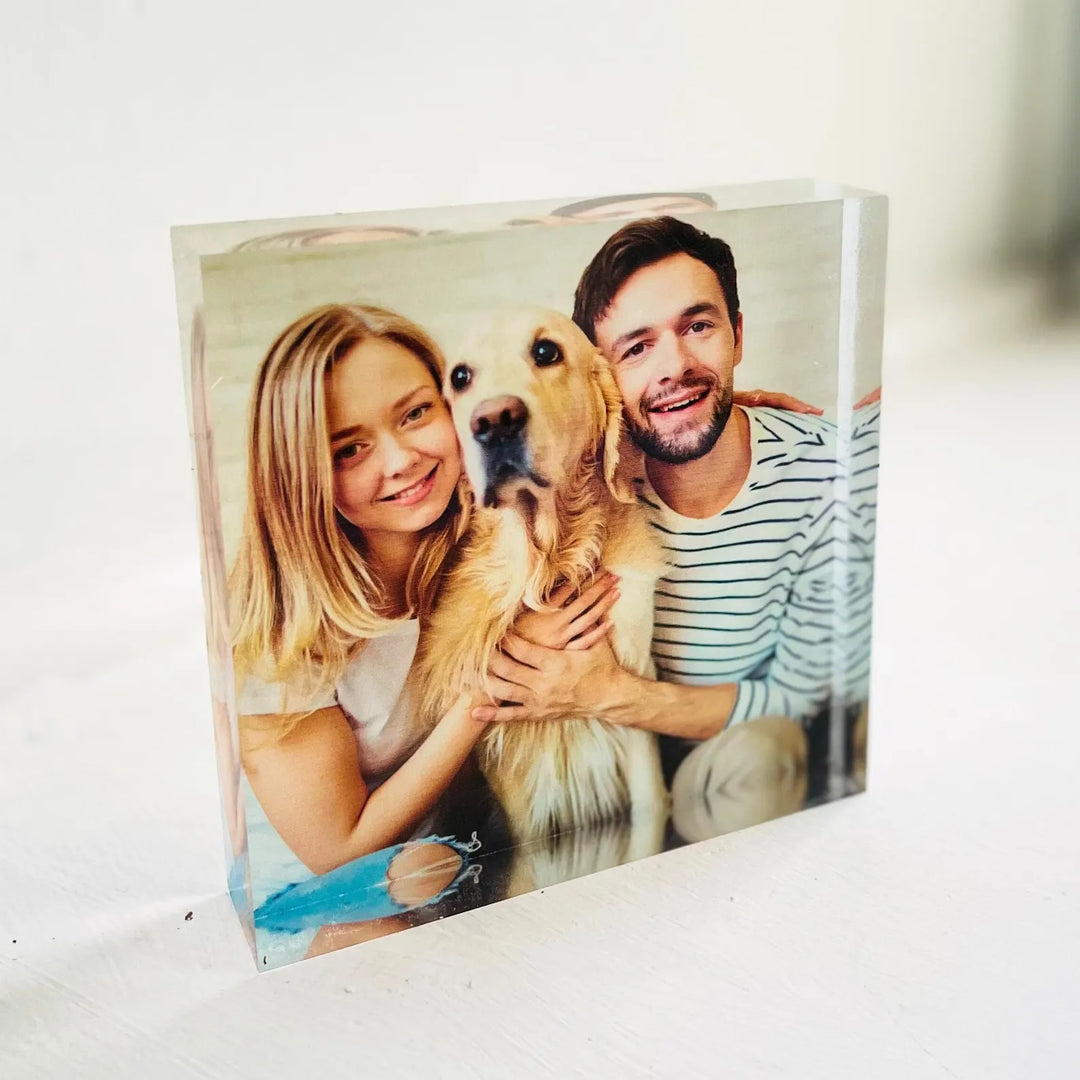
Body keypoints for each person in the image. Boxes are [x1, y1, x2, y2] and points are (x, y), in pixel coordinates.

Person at [471, 217, 878, 789]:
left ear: (737, 332)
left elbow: (812, 702)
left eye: (698, 326)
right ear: (602, 380)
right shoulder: (585, 484)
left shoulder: (827, 476)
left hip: (746, 769)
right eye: (636, 348)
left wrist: (609, 696)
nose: (675, 367)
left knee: (755, 772)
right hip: (620, 787)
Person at [229, 302, 621, 883]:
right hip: (342, 890)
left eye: (415, 414)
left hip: (463, 843)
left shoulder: (476, 528)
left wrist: (733, 412)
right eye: (349, 449)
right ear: (299, 476)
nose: (402, 461)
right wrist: (495, 678)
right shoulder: (281, 643)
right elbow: (338, 852)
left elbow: (576, 417)